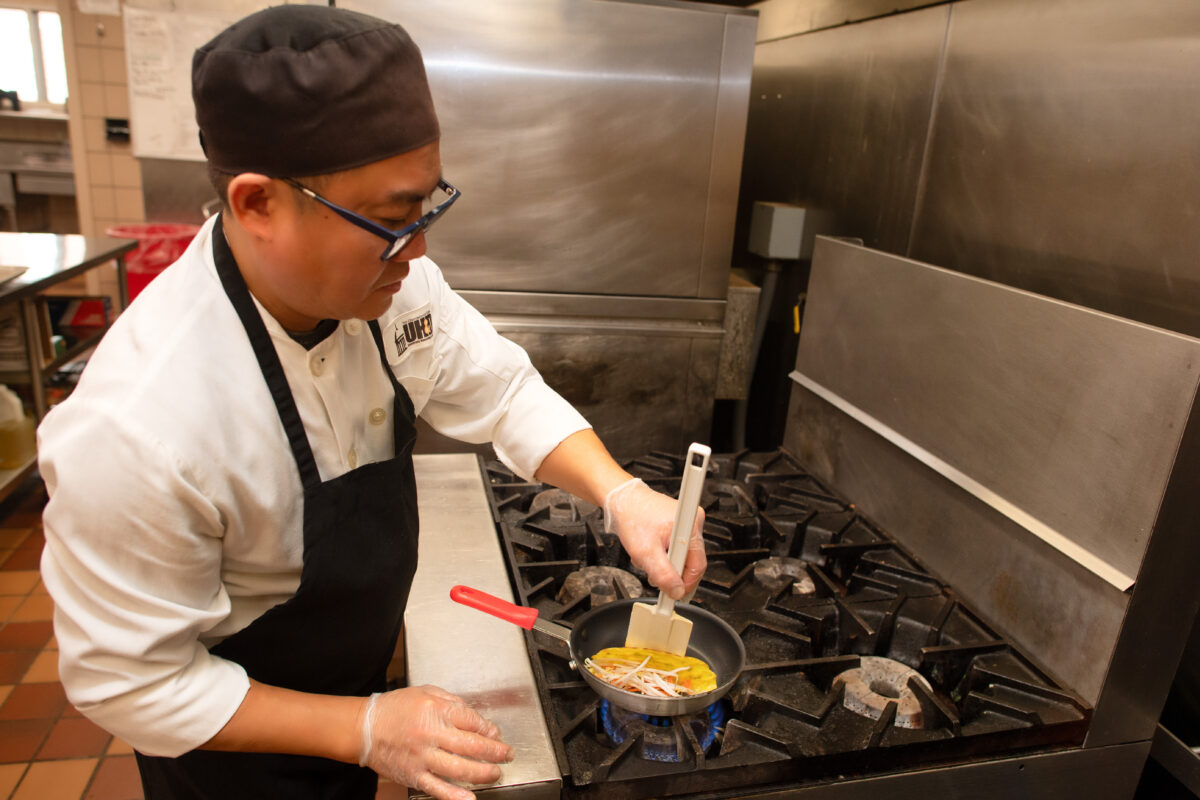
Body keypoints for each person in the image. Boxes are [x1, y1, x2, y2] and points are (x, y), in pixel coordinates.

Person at [36, 7, 707, 800]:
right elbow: (130, 683)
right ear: (256, 204)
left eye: (427, 206)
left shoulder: (389, 285)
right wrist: (362, 729)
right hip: (230, 745)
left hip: (359, 693)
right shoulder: (138, 427)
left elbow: (499, 389)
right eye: (390, 221)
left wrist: (619, 493)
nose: (417, 249)